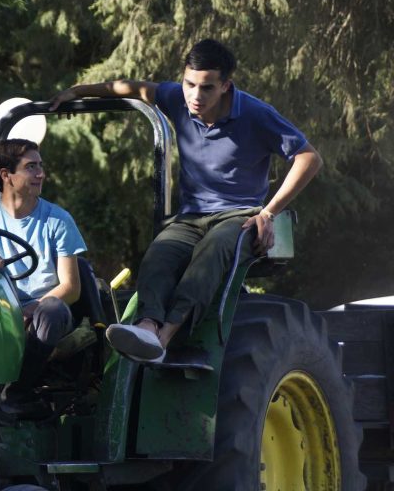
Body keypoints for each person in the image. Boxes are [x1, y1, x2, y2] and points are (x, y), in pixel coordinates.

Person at [49, 38, 322, 362]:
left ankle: (164, 339)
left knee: (212, 252)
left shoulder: (255, 114)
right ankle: (148, 327)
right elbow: (130, 87)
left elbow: (309, 158)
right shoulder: (176, 98)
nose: (195, 95)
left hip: (240, 214)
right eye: (189, 84)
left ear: (225, 86)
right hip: (191, 216)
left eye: (206, 88)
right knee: (159, 253)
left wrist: (269, 212)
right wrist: (78, 91)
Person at [0, 138, 87, 416]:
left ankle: (17, 394)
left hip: (45, 311)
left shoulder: (57, 220)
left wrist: (30, 308)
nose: (41, 173)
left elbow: (71, 287)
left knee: (53, 310)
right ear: (6, 175)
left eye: (40, 166)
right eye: (31, 167)